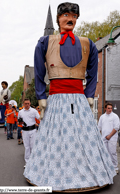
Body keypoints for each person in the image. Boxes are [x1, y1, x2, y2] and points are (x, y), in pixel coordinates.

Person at [24, 2, 116, 192]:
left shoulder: (87, 43)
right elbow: (39, 70)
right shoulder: (45, 42)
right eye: (65, 15)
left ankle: (87, 173)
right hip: (56, 97)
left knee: (83, 137)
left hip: (79, 97)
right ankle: (55, 174)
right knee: (56, 138)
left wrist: (90, 94)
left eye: (74, 16)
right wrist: (41, 95)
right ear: (58, 19)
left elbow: (93, 72)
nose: (70, 19)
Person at [98, 102, 120, 174]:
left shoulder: (115, 116)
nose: (110, 109)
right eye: (108, 108)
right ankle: (107, 167)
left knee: (112, 152)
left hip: (112, 138)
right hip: (104, 138)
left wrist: (109, 136)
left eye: (111, 108)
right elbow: (99, 127)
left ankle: (115, 168)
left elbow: (116, 127)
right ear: (105, 108)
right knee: (105, 153)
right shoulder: (102, 117)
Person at [18, 99, 40, 167]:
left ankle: (33, 161)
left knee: (32, 146)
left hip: (33, 130)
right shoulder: (20, 112)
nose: (27, 105)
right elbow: (19, 121)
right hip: (25, 131)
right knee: (26, 147)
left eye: (28, 103)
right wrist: (20, 122)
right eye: (25, 103)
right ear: (23, 103)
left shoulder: (34, 111)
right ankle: (27, 162)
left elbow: (39, 118)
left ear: (30, 103)